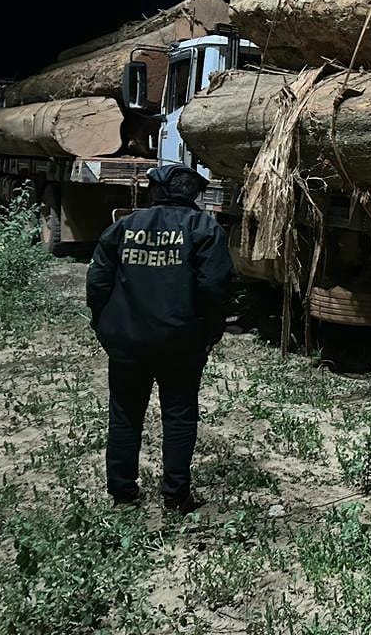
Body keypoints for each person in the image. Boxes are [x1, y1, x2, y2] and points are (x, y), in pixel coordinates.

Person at [86, 163, 232, 511]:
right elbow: (214, 287)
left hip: (127, 341)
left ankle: (123, 494)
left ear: (157, 191)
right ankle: (176, 496)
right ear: (192, 193)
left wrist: (103, 326)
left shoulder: (124, 226)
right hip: (181, 342)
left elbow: (97, 283)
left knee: (124, 413)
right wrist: (210, 332)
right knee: (179, 415)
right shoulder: (205, 228)